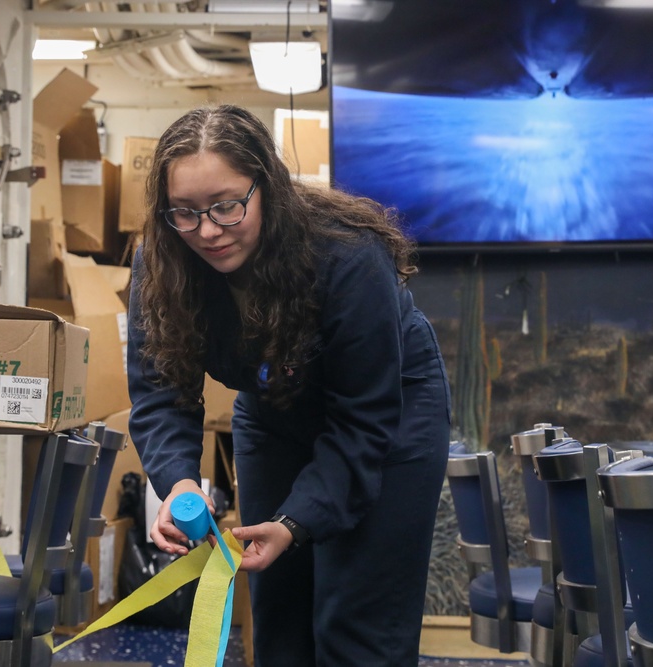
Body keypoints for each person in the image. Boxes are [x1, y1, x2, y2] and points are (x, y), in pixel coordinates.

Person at [126, 104, 451, 666]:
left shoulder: (347, 254)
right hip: (273, 409)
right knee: (279, 618)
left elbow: (362, 421)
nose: (206, 231)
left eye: (226, 207)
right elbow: (161, 390)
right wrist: (179, 483)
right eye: (184, 212)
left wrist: (295, 521)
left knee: (356, 626)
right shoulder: (162, 262)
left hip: (384, 413)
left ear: (267, 187)